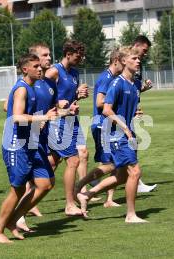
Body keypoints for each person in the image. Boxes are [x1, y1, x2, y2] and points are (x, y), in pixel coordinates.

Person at [0, 53, 58, 243]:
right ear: (25, 69)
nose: (40, 69)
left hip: (31, 143)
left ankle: (13, 220)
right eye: (36, 66)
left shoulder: (33, 87)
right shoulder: (22, 89)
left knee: (46, 183)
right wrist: (42, 118)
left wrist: (57, 113)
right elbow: (17, 117)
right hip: (16, 145)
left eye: (40, 66)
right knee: (17, 190)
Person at [77, 46, 148, 223]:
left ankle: (87, 194)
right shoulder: (117, 83)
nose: (138, 60)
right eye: (134, 58)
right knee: (135, 172)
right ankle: (130, 215)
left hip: (126, 133)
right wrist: (124, 127)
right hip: (117, 135)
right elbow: (107, 109)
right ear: (124, 61)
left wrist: (134, 115)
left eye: (139, 58)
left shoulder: (133, 84)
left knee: (121, 176)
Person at [74, 48, 126, 208]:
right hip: (102, 124)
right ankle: (81, 187)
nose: (125, 65)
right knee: (110, 164)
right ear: (116, 60)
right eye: (123, 61)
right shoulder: (106, 78)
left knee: (115, 163)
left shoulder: (114, 77)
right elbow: (99, 102)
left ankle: (108, 199)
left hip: (109, 124)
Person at [45, 40, 88, 216]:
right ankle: (70, 204)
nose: (80, 60)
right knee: (73, 161)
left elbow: (69, 96)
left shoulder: (74, 73)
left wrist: (78, 95)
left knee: (55, 161)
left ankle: (29, 189)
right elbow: (41, 93)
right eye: (77, 57)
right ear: (68, 54)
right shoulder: (54, 71)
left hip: (72, 120)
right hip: (58, 121)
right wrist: (57, 104)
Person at [131, 35, 157, 193]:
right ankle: (137, 182)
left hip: (130, 111)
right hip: (121, 113)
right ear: (136, 45)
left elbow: (133, 89)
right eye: (144, 50)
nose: (145, 54)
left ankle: (94, 181)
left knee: (119, 151)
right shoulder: (125, 60)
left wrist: (144, 88)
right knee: (127, 147)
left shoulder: (137, 65)